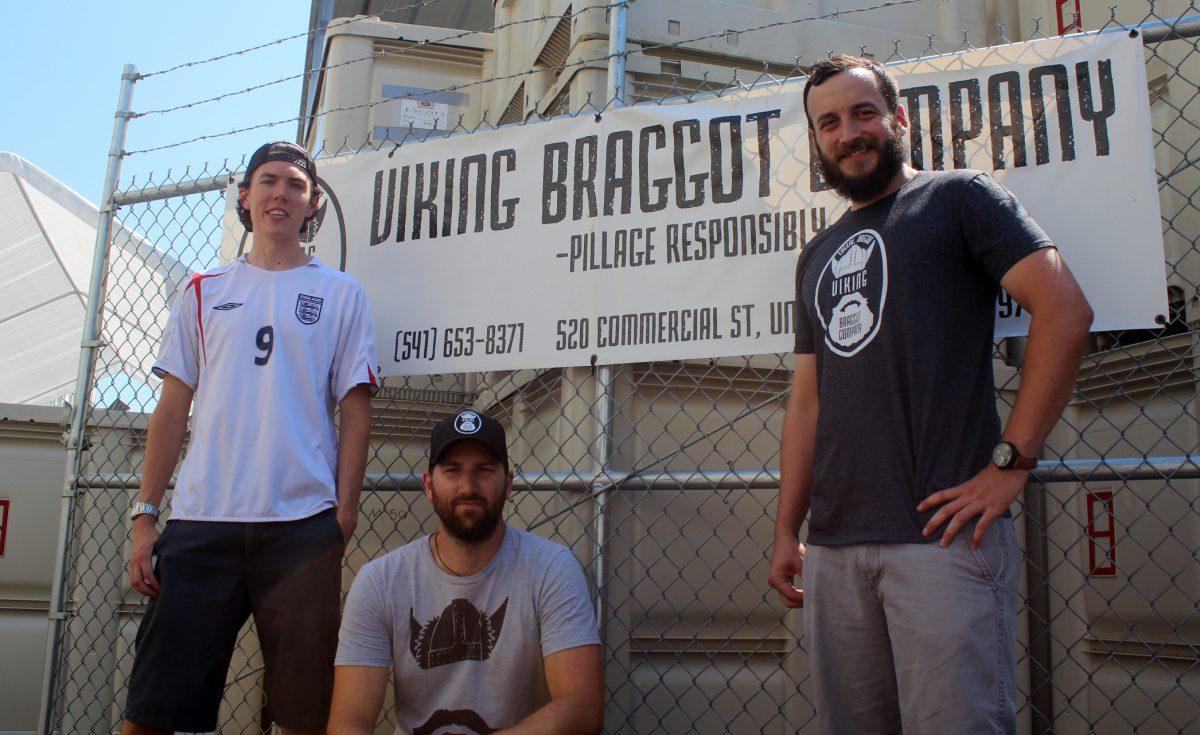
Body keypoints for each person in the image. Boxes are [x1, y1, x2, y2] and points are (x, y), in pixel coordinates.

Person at [766, 55, 1093, 733]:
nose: (848, 133)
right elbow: (808, 400)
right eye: (828, 123)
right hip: (832, 548)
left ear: (898, 118)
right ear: (816, 141)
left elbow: (1063, 308)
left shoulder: (959, 198)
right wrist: (785, 530)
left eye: (863, 112)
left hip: (944, 542)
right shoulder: (817, 253)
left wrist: (1011, 464)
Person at [123, 141, 379, 735]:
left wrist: (343, 512)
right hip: (201, 521)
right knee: (154, 712)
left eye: (295, 184)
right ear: (245, 195)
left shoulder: (342, 293)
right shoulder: (203, 289)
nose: (280, 194)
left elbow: (356, 409)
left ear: (312, 203)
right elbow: (171, 410)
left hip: (299, 529)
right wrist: (145, 516)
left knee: (302, 716)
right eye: (268, 181)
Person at [329, 409, 603, 735]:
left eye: (484, 470)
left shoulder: (551, 569)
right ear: (429, 485)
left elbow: (582, 709)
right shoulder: (381, 580)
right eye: (453, 470)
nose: (468, 486)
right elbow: (349, 720)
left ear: (508, 484)